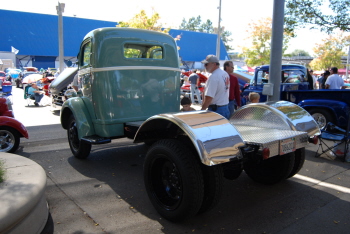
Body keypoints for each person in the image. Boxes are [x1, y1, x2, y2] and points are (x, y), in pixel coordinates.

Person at [200, 55, 230, 119]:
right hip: (224, 107)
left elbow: (209, 97)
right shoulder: (224, 74)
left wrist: (202, 111)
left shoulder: (214, 76)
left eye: (206, 64)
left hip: (216, 110)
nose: (205, 66)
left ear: (214, 64)